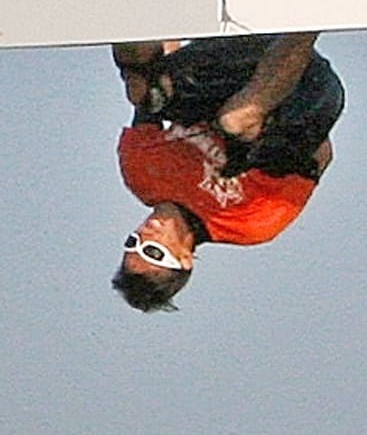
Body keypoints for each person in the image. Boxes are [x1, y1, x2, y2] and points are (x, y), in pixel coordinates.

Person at [112, 32, 344, 310]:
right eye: (153, 251)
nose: (145, 235)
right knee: (236, 123)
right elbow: (322, 154)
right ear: (185, 259)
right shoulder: (248, 224)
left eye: (133, 242)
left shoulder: (140, 173)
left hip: (237, 60)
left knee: (141, 91)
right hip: (304, 89)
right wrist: (266, 132)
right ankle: (308, 22)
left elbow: (155, 83)